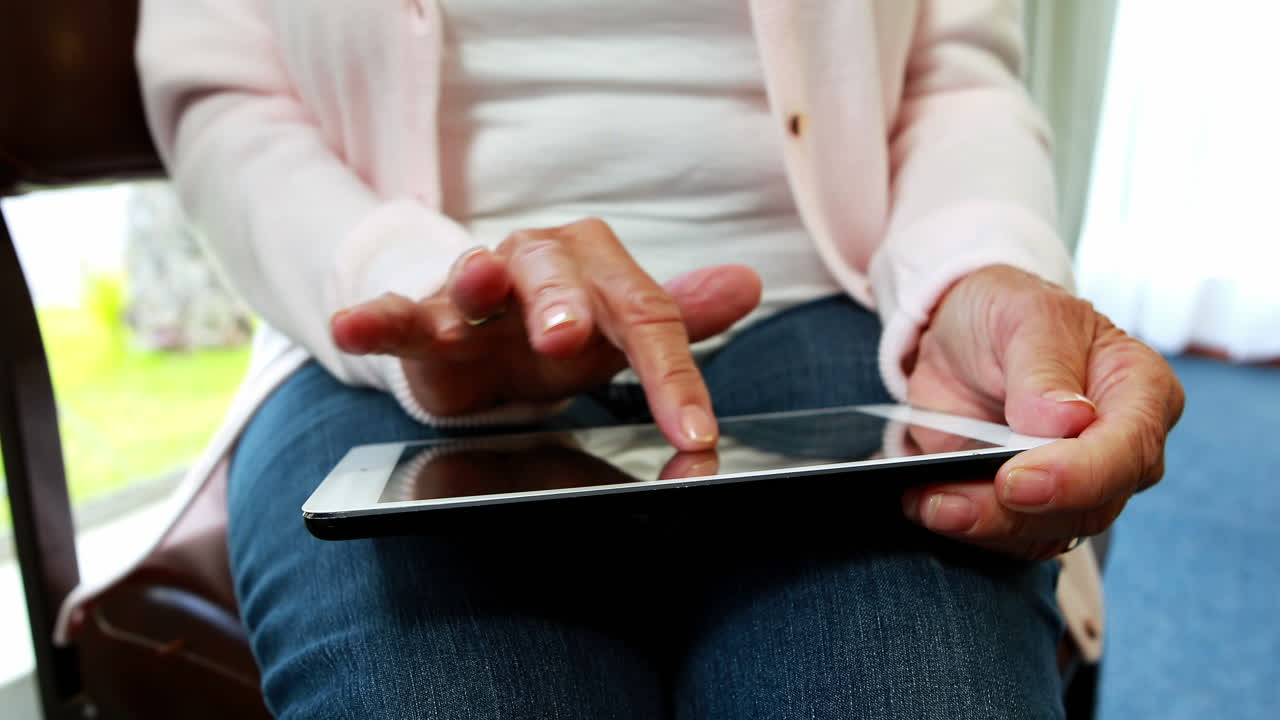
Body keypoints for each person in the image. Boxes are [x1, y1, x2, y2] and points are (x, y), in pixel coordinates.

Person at [135, 0, 1184, 718]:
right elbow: (226, 97)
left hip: (832, 302)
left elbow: (949, 67)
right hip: (395, 325)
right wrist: (421, 278)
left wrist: (973, 272)